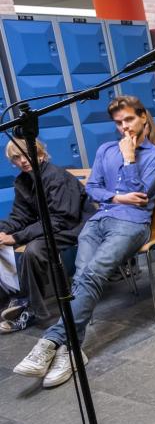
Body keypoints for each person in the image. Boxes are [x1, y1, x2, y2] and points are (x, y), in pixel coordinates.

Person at [14, 94, 155, 388]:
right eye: (119, 122)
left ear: (143, 117)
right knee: (82, 275)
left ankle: (53, 340)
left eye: (130, 120)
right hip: (96, 223)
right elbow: (92, 189)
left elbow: (140, 197)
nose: (125, 127)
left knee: (94, 272)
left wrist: (129, 157)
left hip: (132, 225)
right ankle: (72, 350)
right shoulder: (104, 150)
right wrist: (117, 196)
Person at [0, 140, 92, 333]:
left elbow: (61, 219)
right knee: (21, 245)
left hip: (74, 227)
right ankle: (19, 301)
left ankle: (33, 311)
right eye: (16, 157)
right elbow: (20, 216)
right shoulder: (23, 181)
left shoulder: (56, 176)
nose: (23, 160)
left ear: (39, 152)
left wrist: (16, 238)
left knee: (33, 250)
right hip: (52, 227)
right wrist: (4, 230)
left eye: (26, 153)